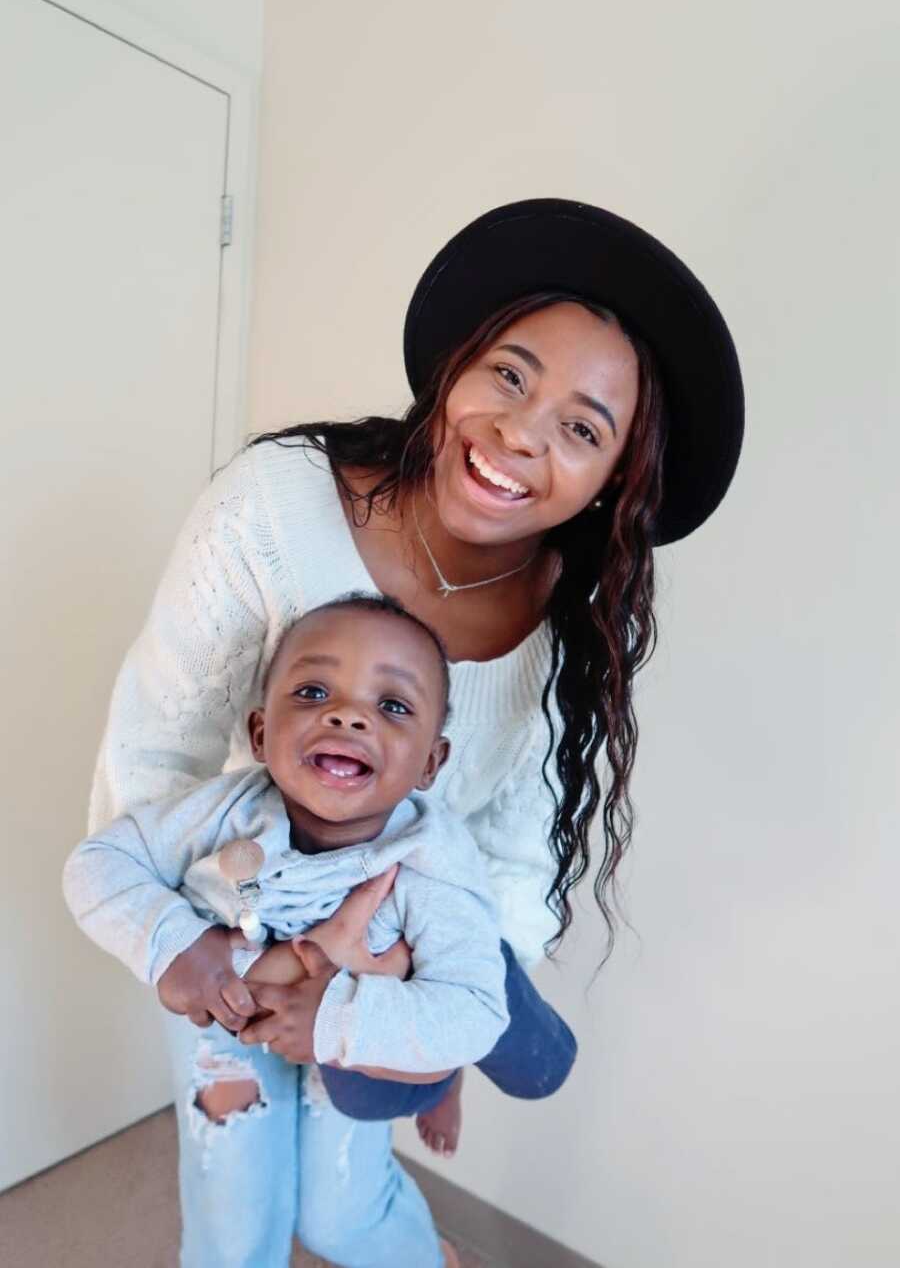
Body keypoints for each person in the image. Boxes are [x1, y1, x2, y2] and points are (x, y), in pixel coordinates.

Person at [84, 198, 744, 1268]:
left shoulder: (577, 621)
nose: (523, 434)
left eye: (582, 427)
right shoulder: (271, 509)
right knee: (235, 1211)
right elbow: (150, 754)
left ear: (615, 477)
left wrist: (444, 1009)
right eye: (511, 375)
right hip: (226, 935)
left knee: (345, 1213)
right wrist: (199, 947)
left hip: (389, 961)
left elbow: (521, 845)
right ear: (454, 368)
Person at [65, 594, 575, 1139]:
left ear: (430, 762)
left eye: (394, 706)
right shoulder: (227, 812)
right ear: (261, 733)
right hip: (337, 973)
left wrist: (334, 1021)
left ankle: (443, 1078)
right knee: (365, 1100)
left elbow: (475, 1016)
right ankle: (428, 1074)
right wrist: (175, 943)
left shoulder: (431, 867)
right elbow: (99, 861)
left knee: (537, 1071)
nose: (348, 715)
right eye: (313, 692)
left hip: (428, 966)